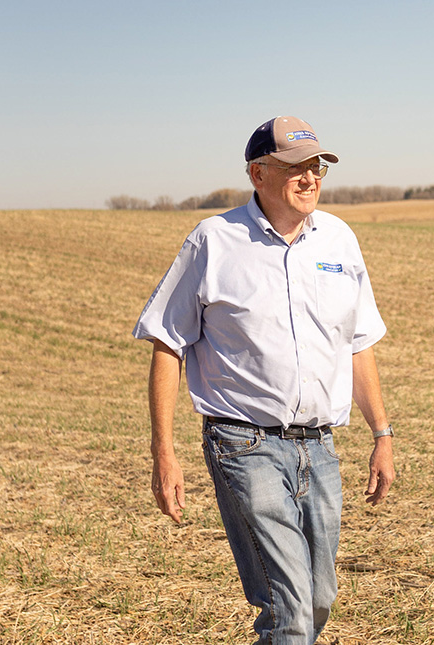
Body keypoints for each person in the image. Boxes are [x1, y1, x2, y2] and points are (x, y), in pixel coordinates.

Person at [133, 115, 395, 644]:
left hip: (319, 448)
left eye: (317, 166)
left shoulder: (339, 241)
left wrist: (382, 435)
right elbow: (167, 342)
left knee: (317, 601)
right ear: (257, 173)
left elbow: (358, 343)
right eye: (295, 167)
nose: (310, 178)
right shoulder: (214, 240)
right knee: (290, 611)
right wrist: (164, 451)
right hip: (243, 444)